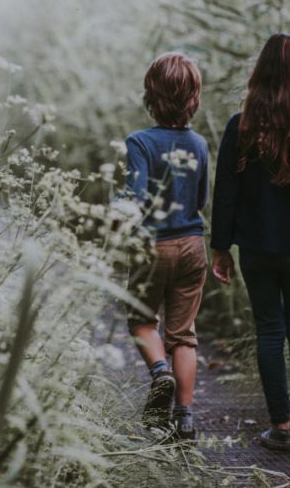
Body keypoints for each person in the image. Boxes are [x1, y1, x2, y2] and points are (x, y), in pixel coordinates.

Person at [210, 33, 290, 452]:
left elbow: (225, 192)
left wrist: (220, 247)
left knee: (269, 329)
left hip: (257, 248)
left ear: (260, 74)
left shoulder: (242, 126)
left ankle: (282, 426)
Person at [122, 52, 209, 440]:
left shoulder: (139, 142)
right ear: (194, 97)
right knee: (183, 333)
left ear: (150, 95)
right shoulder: (200, 144)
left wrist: (115, 213)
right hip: (192, 244)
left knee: (141, 319)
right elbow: (201, 198)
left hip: (152, 245)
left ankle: (160, 373)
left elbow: (135, 197)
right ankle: (185, 418)